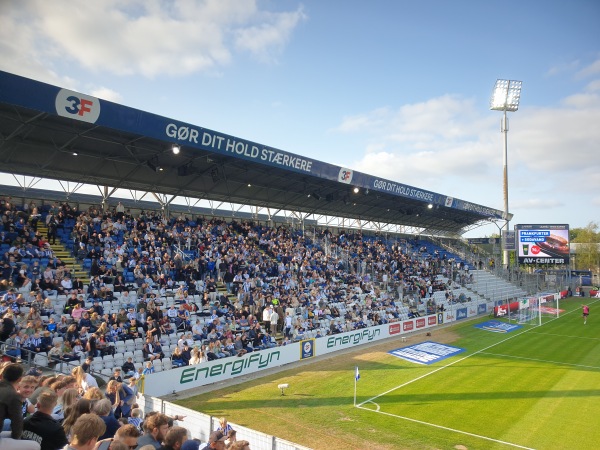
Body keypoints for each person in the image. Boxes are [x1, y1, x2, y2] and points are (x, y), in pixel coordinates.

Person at [0, 363, 41, 450]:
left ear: (2, 375)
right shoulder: (12, 395)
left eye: (32, 387)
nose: (29, 390)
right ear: (19, 379)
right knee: (35, 445)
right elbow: (17, 424)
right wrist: (17, 441)